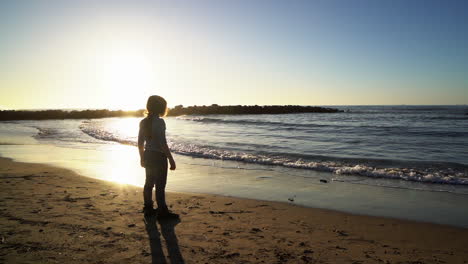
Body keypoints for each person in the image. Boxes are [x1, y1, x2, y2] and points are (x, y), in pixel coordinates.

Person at [138, 95, 178, 218]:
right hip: (159, 157)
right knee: (160, 185)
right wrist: (171, 159)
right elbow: (162, 143)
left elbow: (140, 143)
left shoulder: (143, 122)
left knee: (149, 183)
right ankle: (162, 211)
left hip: (148, 155)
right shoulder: (160, 122)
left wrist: (142, 157)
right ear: (161, 108)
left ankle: (148, 208)